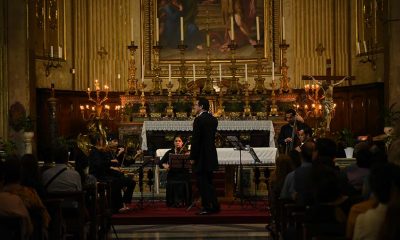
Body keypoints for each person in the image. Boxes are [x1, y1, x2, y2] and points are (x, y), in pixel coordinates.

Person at [88, 134, 136, 213]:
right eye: (102, 140)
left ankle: (122, 203)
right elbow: (99, 165)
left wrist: (114, 167)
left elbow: (104, 165)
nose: (103, 142)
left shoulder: (99, 151)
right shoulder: (94, 151)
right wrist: (111, 162)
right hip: (98, 175)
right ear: (98, 141)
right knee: (116, 182)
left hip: (104, 174)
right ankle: (117, 207)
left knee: (130, 182)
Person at [189, 97, 220, 215]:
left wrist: (192, 157)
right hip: (211, 154)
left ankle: (207, 207)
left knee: (202, 182)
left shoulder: (198, 120)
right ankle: (215, 205)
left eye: (196, 105)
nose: (194, 107)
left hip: (201, 156)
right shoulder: (213, 119)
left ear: (201, 106)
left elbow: (196, 141)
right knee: (209, 182)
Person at [159, 135, 191, 207]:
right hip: (172, 174)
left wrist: (189, 157)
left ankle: (184, 201)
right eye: (176, 141)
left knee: (186, 180)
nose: (177, 142)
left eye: (179, 141)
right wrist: (165, 165)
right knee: (172, 180)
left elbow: (192, 162)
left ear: (182, 143)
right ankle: (173, 202)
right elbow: (160, 162)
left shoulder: (186, 152)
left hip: (183, 174)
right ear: (173, 143)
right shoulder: (170, 152)